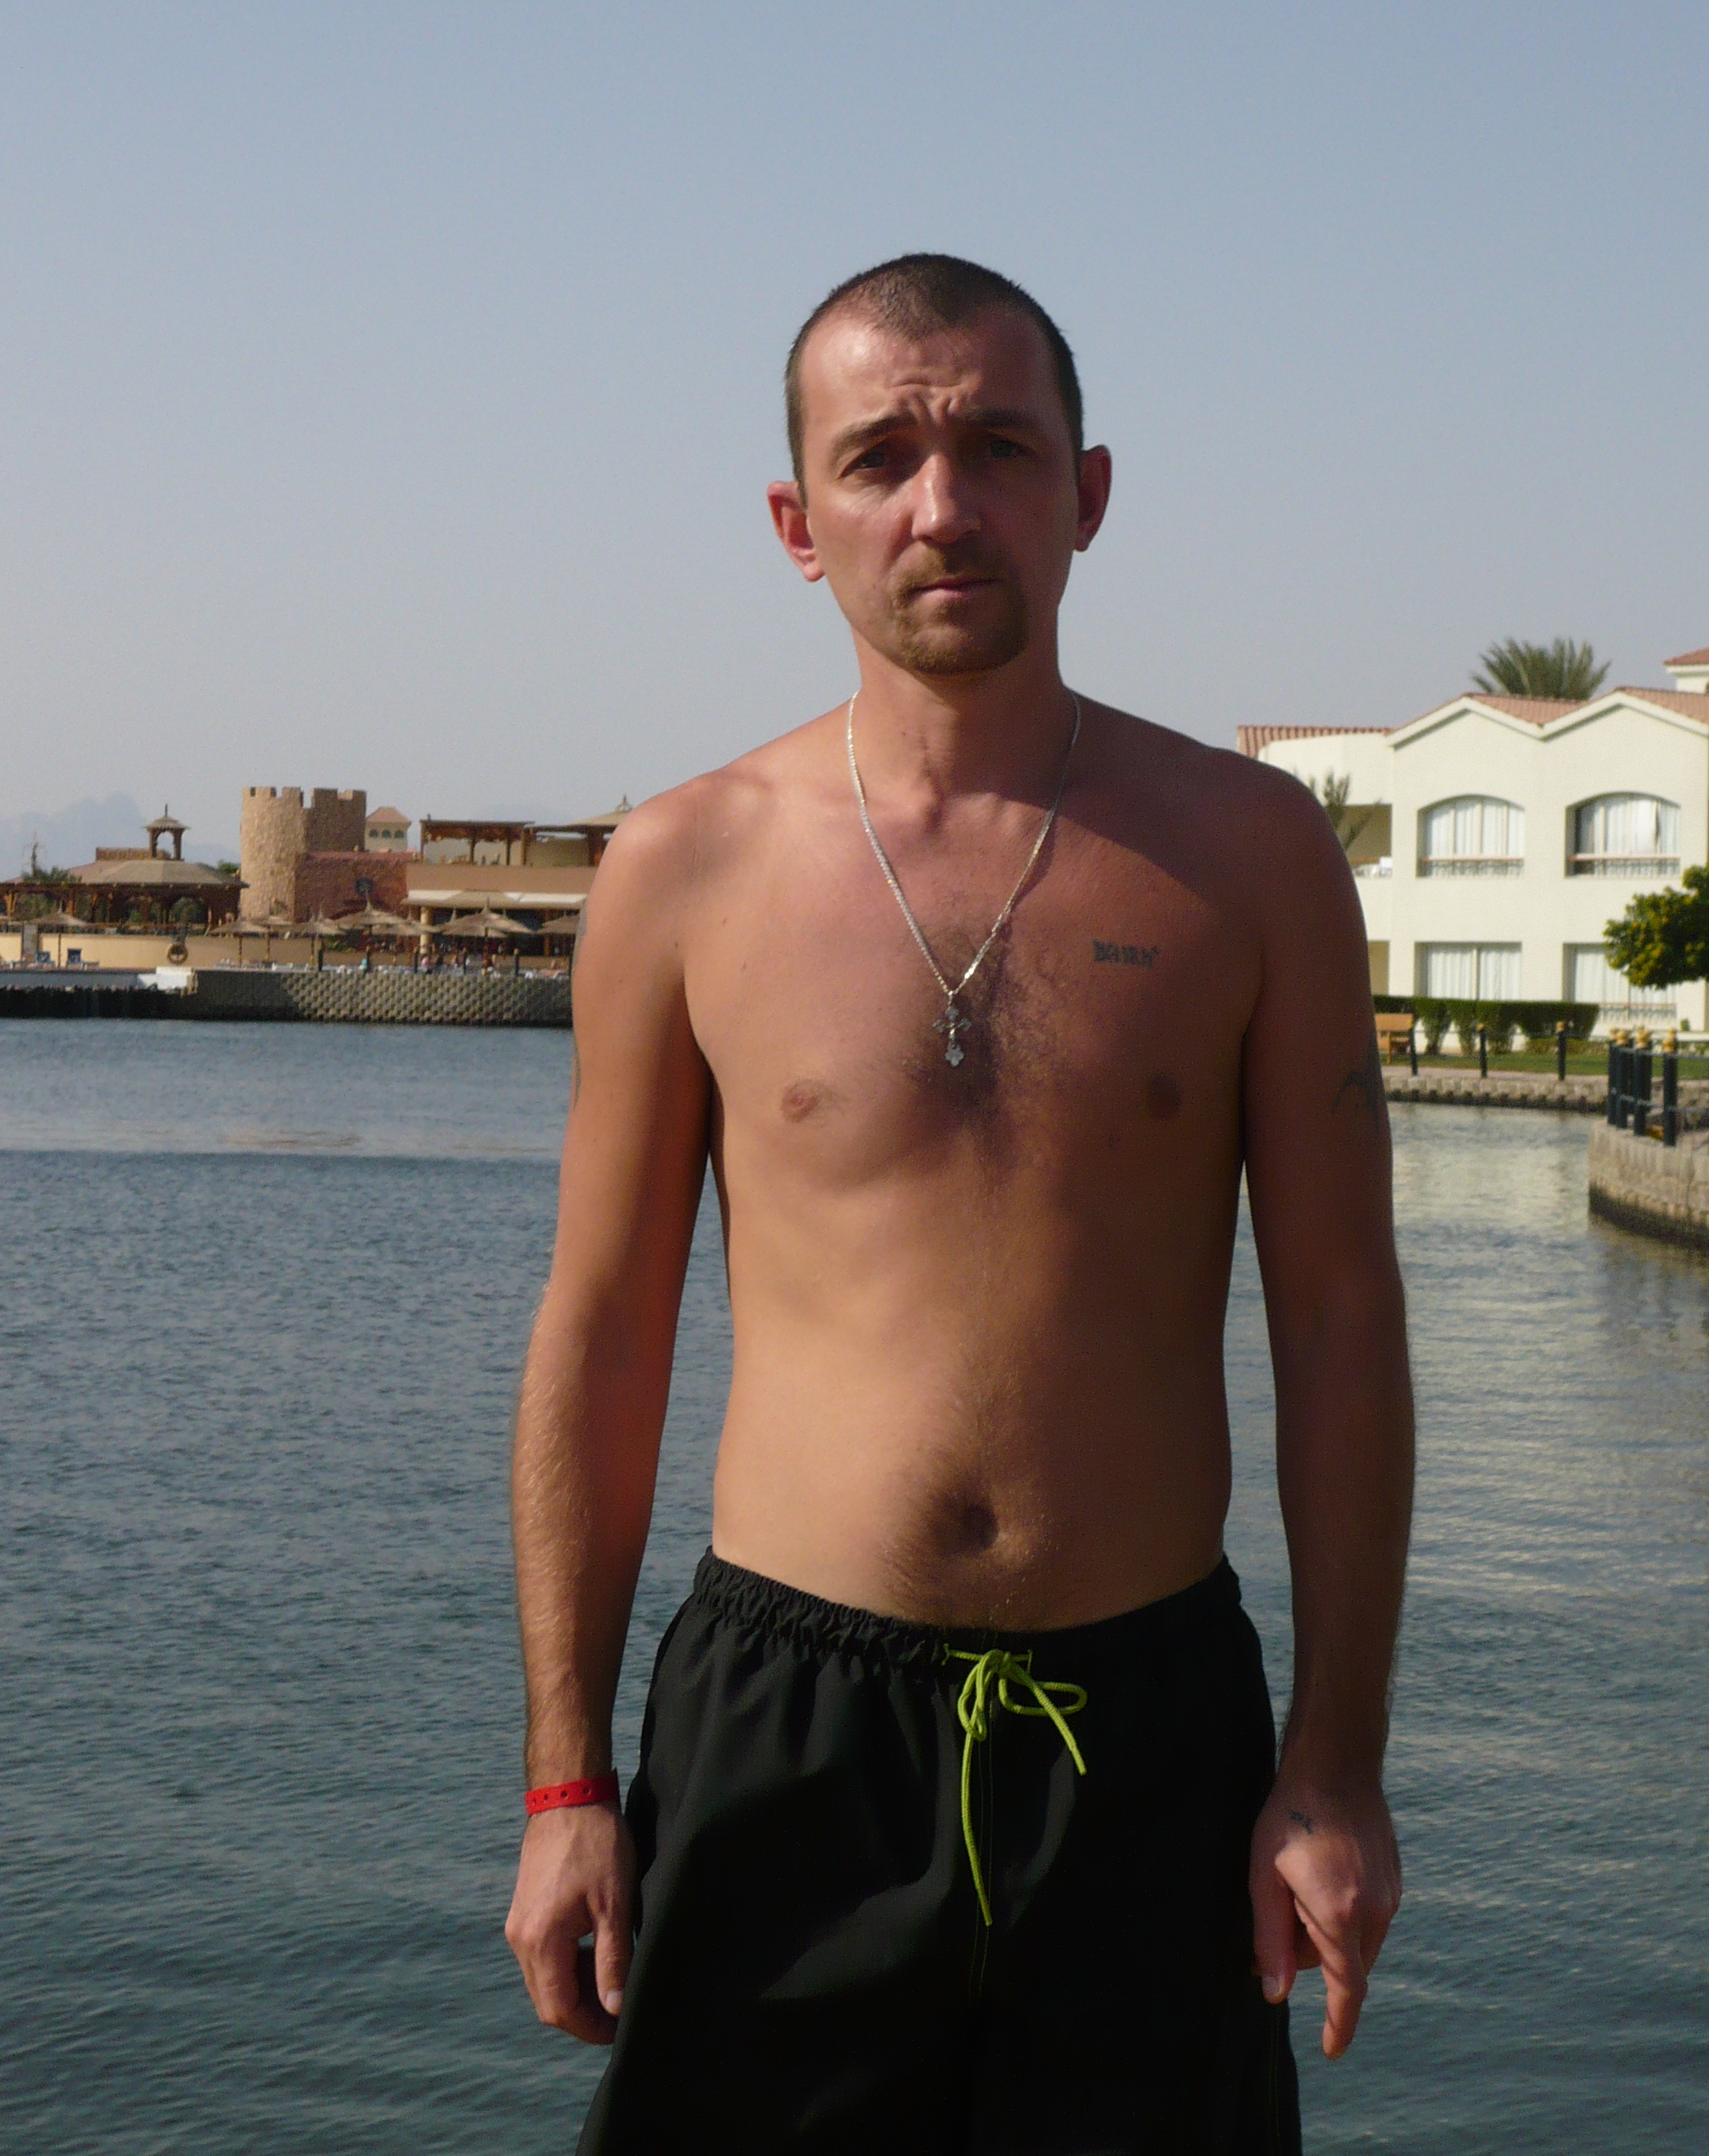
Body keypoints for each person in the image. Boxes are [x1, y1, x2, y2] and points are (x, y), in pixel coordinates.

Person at [505, 254, 1412, 2154]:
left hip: (1150, 1732)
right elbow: (600, 1334)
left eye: (1000, 447)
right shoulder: (686, 868)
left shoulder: (1248, 858)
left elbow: (1341, 1321)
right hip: (785, 1731)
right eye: (881, 458)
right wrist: (567, 1788)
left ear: (1087, 492)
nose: (943, 506)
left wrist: (1333, 1763)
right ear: (797, 523)